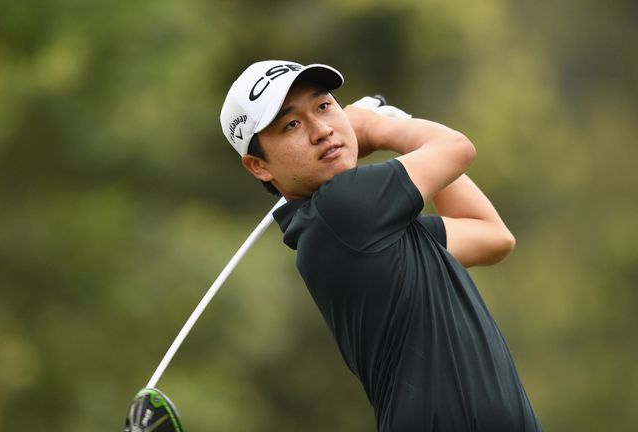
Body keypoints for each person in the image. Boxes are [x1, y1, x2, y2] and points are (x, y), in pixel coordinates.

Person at [220, 60, 542, 431]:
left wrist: (395, 135)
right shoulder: (343, 208)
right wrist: (381, 127)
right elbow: (457, 147)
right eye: (291, 124)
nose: (322, 130)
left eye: (324, 106)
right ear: (259, 166)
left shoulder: (360, 229)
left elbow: (491, 236)